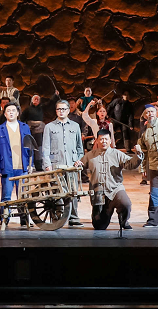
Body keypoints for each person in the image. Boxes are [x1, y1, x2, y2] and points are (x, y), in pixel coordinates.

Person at [78, 130, 143, 230]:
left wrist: (137, 156)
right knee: (99, 226)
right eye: (101, 139)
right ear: (97, 141)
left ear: (110, 141)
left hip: (115, 189)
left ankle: (124, 221)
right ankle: (107, 211)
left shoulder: (117, 154)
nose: (104, 141)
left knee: (125, 203)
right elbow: (80, 165)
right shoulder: (90, 155)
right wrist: (77, 164)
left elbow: (130, 164)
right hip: (98, 192)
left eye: (106, 139)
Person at [41, 98, 85, 227]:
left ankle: (73, 217)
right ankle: (57, 218)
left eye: (64, 109)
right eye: (59, 109)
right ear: (56, 111)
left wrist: (79, 160)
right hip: (56, 165)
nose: (61, 111)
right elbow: (45, 148)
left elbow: (79, 148)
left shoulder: (75, 126)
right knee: (56, 193)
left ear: (68, 110)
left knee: (72, 191)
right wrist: (47, 164)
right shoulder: (49, 127)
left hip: (71, 165)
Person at [0, 100, 32, 227]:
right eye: (8, 111)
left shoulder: (24, 127)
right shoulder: (0, 129)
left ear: (18, 113)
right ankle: (4, 220)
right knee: (6, 196)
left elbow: (30, 146)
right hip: (7, 167)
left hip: (22, 166)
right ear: (4, 114)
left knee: (22, 196)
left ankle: (24, 220)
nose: (11, 113)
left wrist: (30, 164)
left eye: (13, 110)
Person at [22, 94, 46, 170]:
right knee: (29, 148)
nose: (36, 100)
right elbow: (22, 119)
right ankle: (29, 165)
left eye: (37, 99)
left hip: (39, 131)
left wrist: (55, 95)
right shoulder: (27, 109)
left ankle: (39, 166)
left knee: (39, 148)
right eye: (35, 99)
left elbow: (50, 104)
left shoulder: (42, 109)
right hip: (30, 131)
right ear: (32, 100)